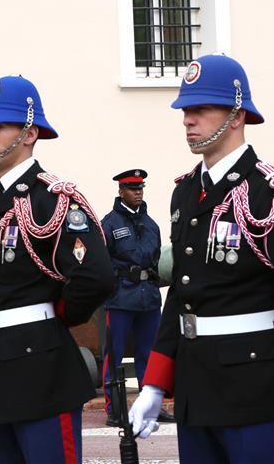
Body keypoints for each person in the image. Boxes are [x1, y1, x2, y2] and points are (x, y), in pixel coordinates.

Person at [128, 54, 274, 463]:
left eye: (201, 109)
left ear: (237, 115)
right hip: (195, 384)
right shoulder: (186, 192)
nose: (188, 120)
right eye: (186, 110)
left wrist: (264, 327)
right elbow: (182, 293)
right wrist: (155, 383)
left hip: (254, 381)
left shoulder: (268, 192)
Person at [0, 75, 115, 464]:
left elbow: (95, 276)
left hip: (41, 372)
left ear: (29, 133)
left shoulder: (53, 198)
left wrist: (57, 316)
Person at [100, 169, 174, 426]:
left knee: (151, 354)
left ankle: (152, 405)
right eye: (132, 188)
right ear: (121, 191)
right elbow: (101, 262)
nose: (138, 192)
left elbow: (154, 259)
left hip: (149, 297)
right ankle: (115, 409)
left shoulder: (151, 224)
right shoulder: (109, 224)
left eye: (140, 187)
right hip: (121, 297)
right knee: (115, 354)